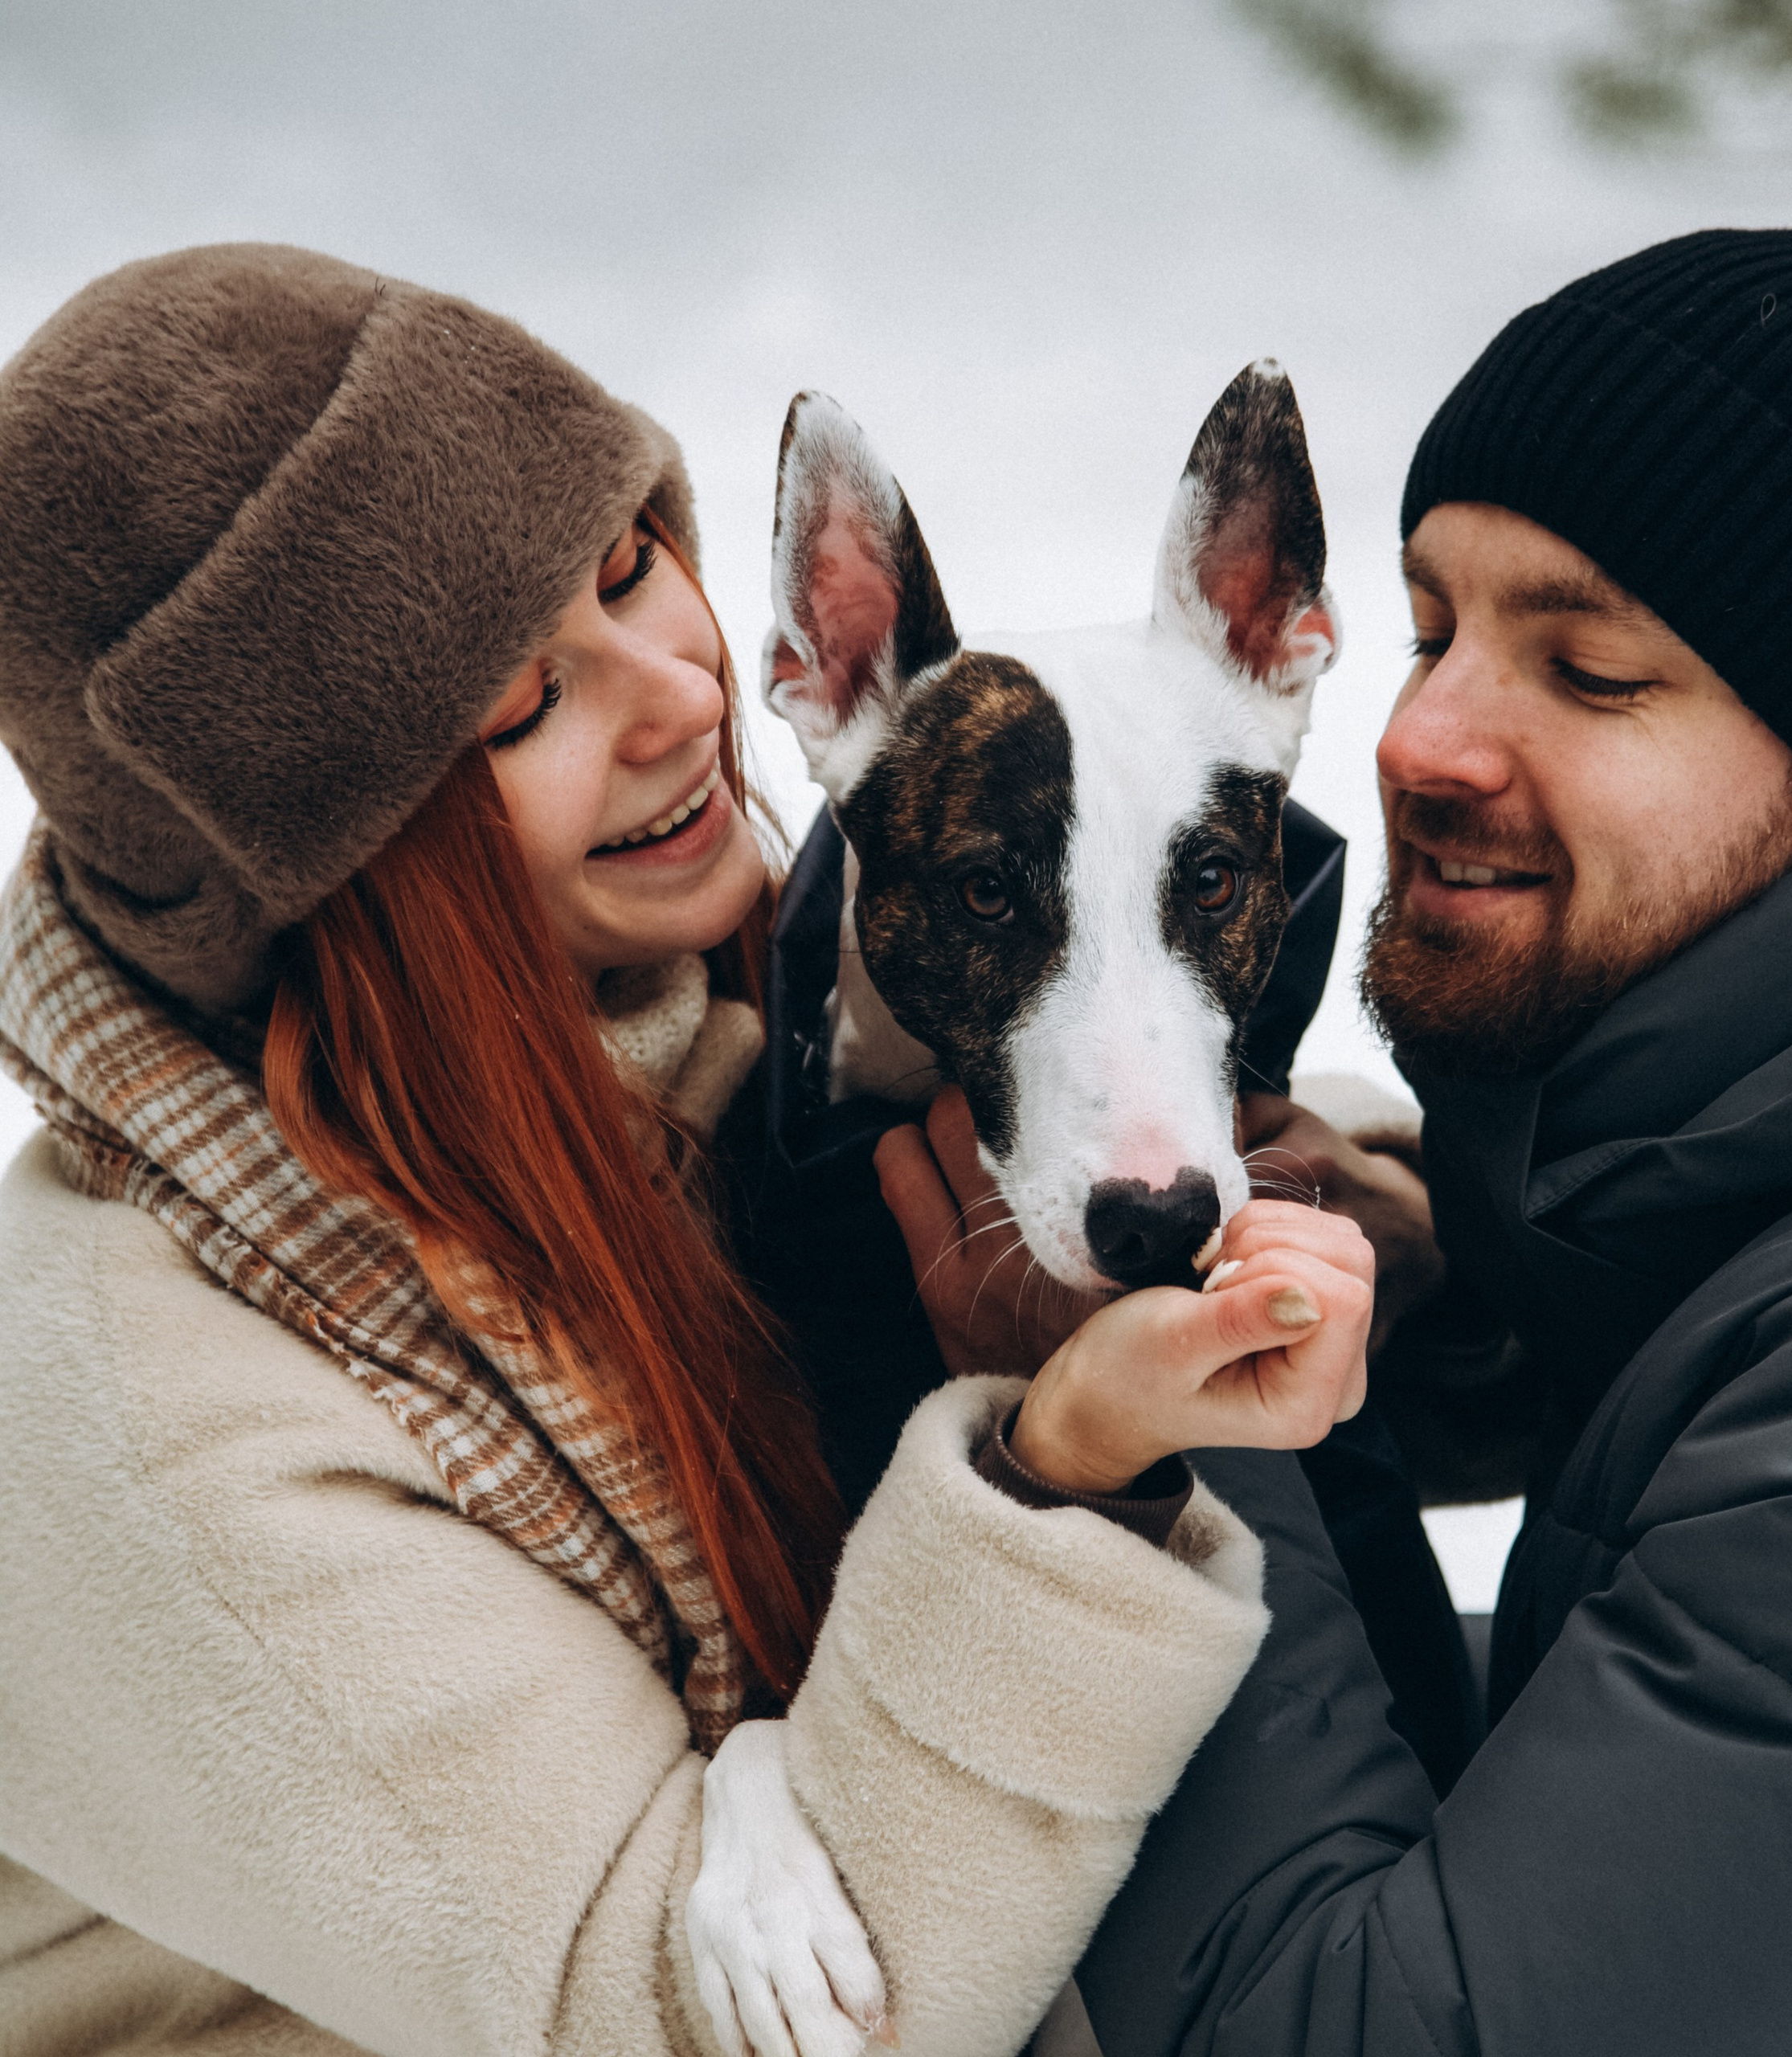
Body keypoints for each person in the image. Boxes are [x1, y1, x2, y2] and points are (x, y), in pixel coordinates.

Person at [0, 243, 1379, 2057]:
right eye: (523, 703)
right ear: (339, 861)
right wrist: (1070, 1468)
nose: (682, 698)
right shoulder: (142, 1426)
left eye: (630, 565)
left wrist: (1387, 1215)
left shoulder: (707, 1034)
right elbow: (678, 2016)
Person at [894, 225, 1792, 2055]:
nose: (1415, 739)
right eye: (1429, 628)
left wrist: (1151, 1444)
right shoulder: (1783, 1174)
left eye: (1587, 671)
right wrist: (1448, 1282)